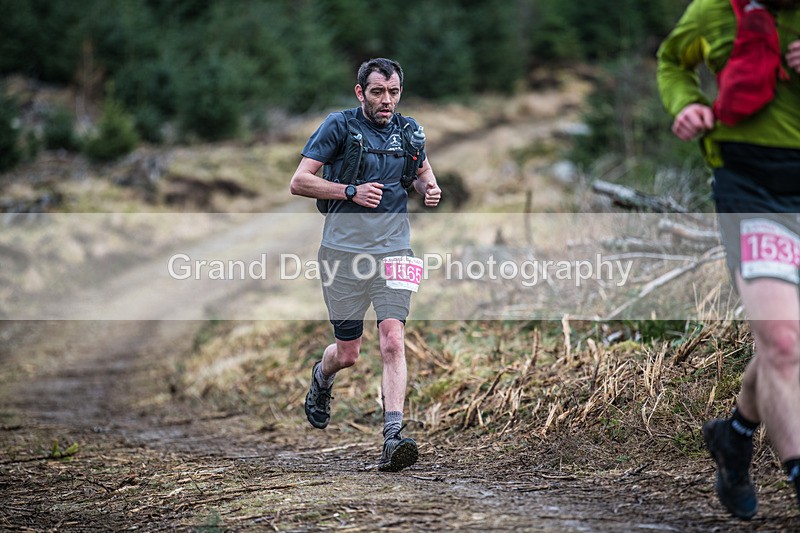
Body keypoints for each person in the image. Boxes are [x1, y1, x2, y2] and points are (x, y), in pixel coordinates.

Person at [657, 0, 800, 520]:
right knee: (782, 340)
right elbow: (672, 61)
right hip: (752, 186)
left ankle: (735, 435)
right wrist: (685, 104)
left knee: (784, 337)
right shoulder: (714, 11)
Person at [289, 58, 441, 472]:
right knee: (350, 353)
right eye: (377, 92)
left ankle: (393, 438)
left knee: (393, 339)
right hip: (342, 254)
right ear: (361, 93)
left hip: (396, 250)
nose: (386, 100)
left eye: (393, 92)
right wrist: (349, 190)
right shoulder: (338, 126)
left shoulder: (409, 131)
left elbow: (423, 171)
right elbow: (299, 181)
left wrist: (431, 188)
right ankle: (322, 377)